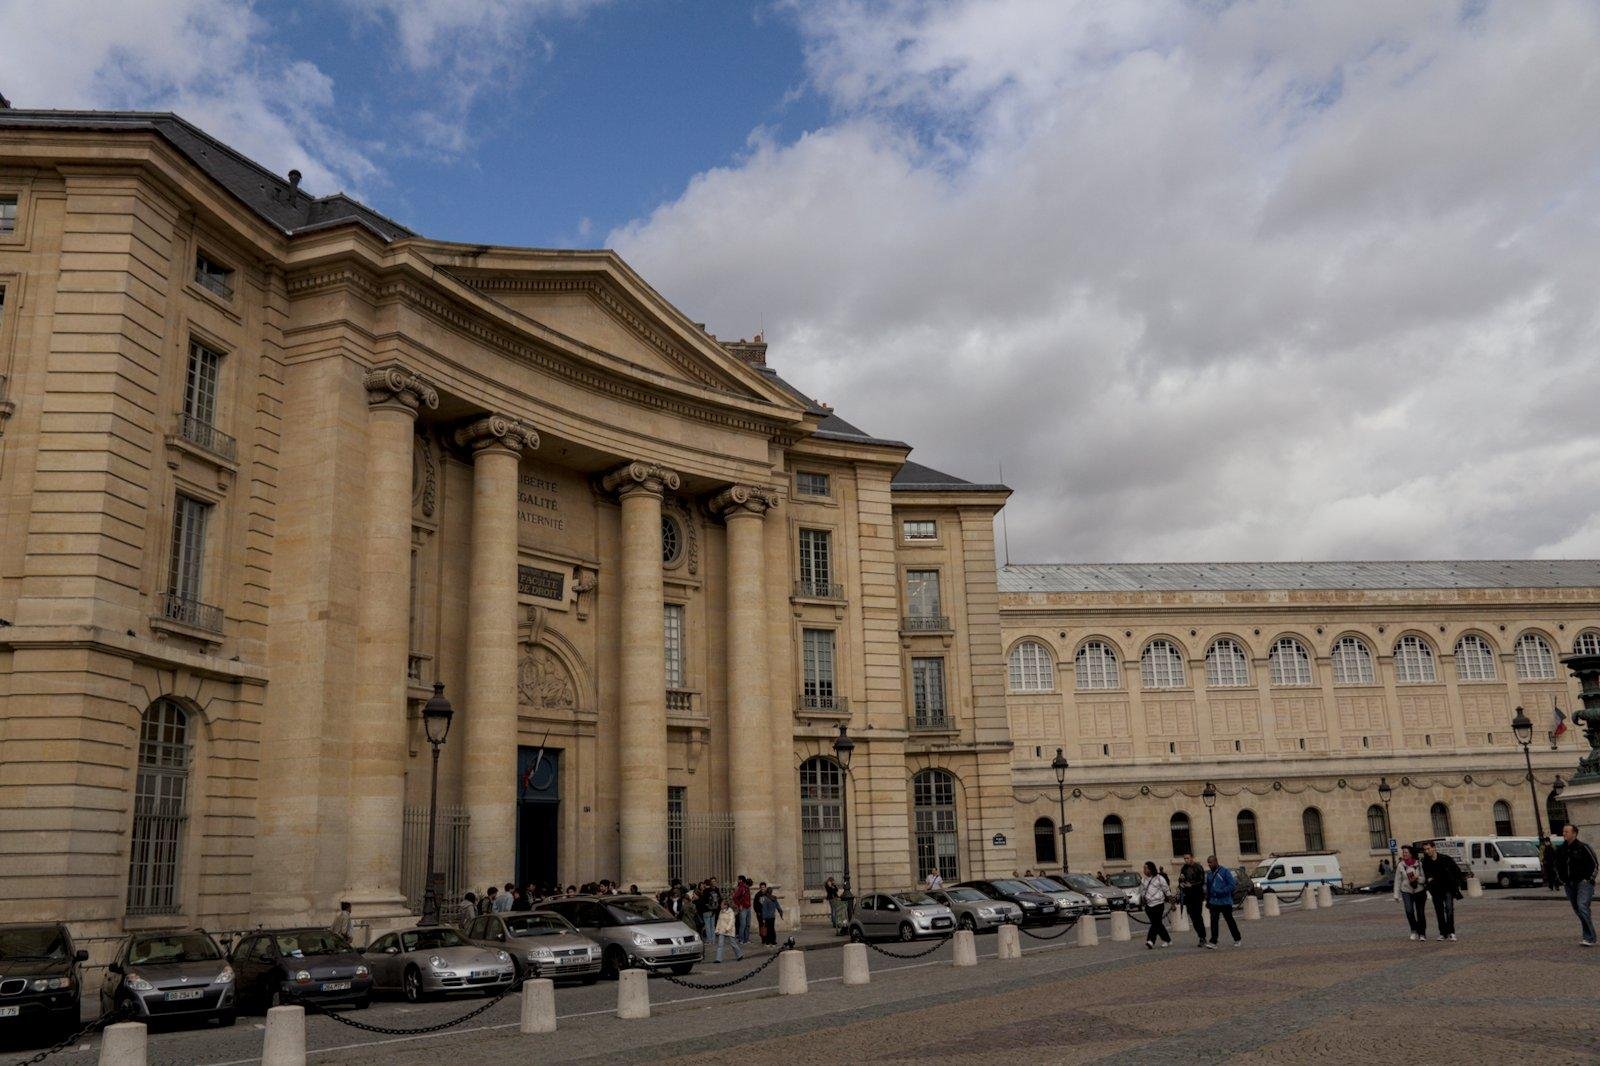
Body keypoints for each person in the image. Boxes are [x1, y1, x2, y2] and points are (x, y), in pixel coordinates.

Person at [1552, 823, 1598, 947]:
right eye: (1563, 832)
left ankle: (1590, 937)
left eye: (1567, 832)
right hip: (1569, 883)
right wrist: (1562, 879)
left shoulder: (1583, 847)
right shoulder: (1561, 849)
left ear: (1574, 833)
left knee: (1582, 906)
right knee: (1578, 909)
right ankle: (1589, 935)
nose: (1564, 834)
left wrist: (1588, 879)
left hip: (1583, 883)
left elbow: (1594, 864)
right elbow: (1557, 865)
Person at [1420, 840, 1464, 941]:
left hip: (1448, 888)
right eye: (1425, 850)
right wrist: (1429, 881)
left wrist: (1456, 884)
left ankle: (1451, 932)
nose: (1427, 851)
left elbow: (1457, 871)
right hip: (1435, 890)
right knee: (1439, 911)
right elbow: (1427, 876)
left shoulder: (1445, 859)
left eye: (1428, 849)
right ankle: (1443, 933)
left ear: (1434, 848)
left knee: (1449, 909)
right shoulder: (1425, 862)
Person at [1392, 844, 1429, 941]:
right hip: (1406, 891)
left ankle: (1422, 933)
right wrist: (1396, 894)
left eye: (1406, 852)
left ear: (1411, 854)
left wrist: (1418, 878)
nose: (1404, 854)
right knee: (1409, 911)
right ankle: (1413, 929)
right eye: (1403, 852)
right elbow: (1397, 880)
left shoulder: (1418, 864)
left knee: (1420, 913)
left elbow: (1424, 879)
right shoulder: (1400, 865)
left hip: (1419, 890)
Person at [1204, 854, 1241, 948]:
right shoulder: (1209, 874)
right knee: (1213, 922)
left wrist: (1222, 891)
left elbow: (1232, 885)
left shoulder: (1225, 872)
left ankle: (1237, 938)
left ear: (1216, 862)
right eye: (1208, 863)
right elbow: (1208, 888)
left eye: (1211, 863)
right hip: (1214, 902)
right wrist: (1208, 900)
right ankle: (1213, 941)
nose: (1209, 865)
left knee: (1230, 920)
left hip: (1225, 901)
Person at [1176, 853, 1207, 948]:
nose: (1186, 860)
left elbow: (1201, 881)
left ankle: (1202, 937)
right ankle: (1200, 935)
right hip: (1188, 895)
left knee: (1198, 915)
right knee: (1192, 916)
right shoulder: (1184, 868)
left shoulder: (1198, 867)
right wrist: (1181, 882)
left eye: (1187, 858)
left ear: (1192, 858)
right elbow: (1180, 879)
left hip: (1197, 895)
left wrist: (1192, 885)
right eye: (1184, 858)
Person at [1140, 861, 1172, 949]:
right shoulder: (1143, 880)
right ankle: (1167, 939)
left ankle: (1150, 940)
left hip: (1159, 904)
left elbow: (1166, 890)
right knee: (1157, 923)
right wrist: (1143, 899)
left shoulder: (1159, 878)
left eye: (1145, 868)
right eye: (1144, 868)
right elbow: (1142, 892)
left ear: (1150, 869)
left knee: (1155, 923)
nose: (1144, 870)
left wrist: (1172, 902)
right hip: (1148, 905)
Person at [697, 877, 722, 943]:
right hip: (714, 910)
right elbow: (720, 899)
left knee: (708, 926)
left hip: (706, 910)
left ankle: (709, 940)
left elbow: (703, 901)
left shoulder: (706, 890)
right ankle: (713, 940)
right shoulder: (716, 890)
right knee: (712, 925)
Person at [732, 875, 754, 945]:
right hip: (743, 908)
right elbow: (735, 897)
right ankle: (741, 939)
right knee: (743, 924)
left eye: (738, 879)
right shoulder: (741, 888)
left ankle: (746, 939)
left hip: (748, 908)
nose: (737, 881)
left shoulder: (747, 888)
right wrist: (739, 905)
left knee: (747, 924)